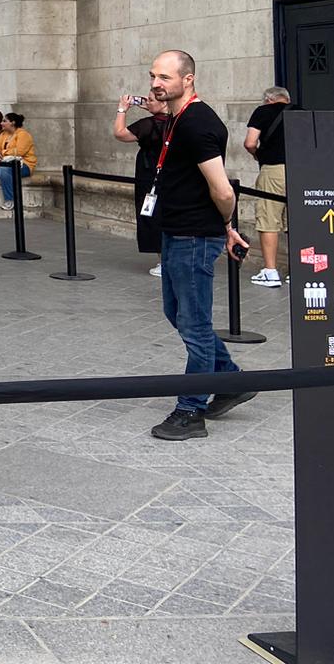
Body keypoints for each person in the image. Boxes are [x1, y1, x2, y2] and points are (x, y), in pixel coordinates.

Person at [143, 49, 255, 441]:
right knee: (177, 314)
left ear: (187, 79)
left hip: (193, 237)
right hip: (178, 232)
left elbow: (222, 189)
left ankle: (190, 411)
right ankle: (231, 380)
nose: (157, 83)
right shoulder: (179, 118)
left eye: (165, 77)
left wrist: (225, 225)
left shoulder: (197, 124)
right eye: (154, 76)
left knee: (194, 324)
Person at [244, 86, 299, 287]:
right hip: (300, 171)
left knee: (269, 217)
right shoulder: (301, 111)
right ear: (286, 99)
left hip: (274, 169)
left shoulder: (262, 112)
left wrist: (259, 155)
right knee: (297, 220)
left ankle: (270, 271)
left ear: (268, 99)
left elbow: (250, 142)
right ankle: (299, 272)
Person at [115, 91, 170, 277]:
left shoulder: (149, 124)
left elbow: (120, 133)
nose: (147, 102)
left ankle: (165, 262)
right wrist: (155, 107)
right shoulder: (175, 122)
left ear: (164, 104)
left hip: (150, 176)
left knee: (153, 217)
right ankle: (170, 261)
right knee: (167, 215)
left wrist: (122, 109)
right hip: (171, 175)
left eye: (152, 100)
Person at [0, 112, 36, 210]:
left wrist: (2, 153)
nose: (1, 123)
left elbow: (20, 151)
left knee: (4, 169)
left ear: (12, 122)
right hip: (6, 162)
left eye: (4, 121)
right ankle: (8, 178)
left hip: (24, 165)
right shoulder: (3, 134)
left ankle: (10, 200)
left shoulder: (23, 134)